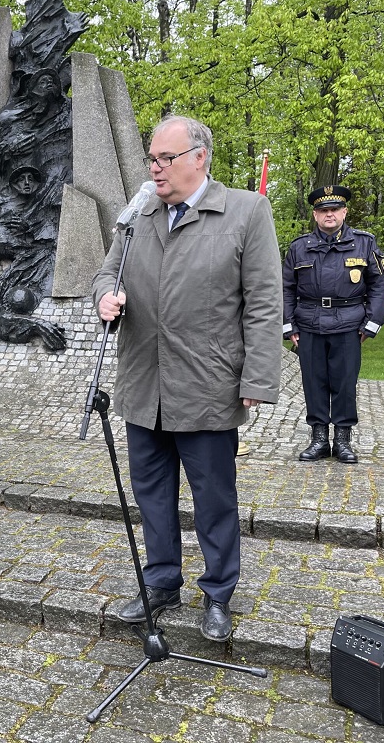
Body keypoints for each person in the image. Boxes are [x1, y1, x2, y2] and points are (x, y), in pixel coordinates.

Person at [92, 115, 282, 642]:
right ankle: (161, 582)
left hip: (208, 385)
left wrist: (258, 378)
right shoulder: (138, 214)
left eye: (165, 159)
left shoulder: (246, 211)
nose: (154, 168)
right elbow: (107, 272)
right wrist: (104, 296)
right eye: (151, 158)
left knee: (213, 496)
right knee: (152, 492)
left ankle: (218, 592)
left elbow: (264, 303)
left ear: (199, 157)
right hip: (143, 384)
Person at [283, 185, 384, 464]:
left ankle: (342, 440)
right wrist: (288, 325)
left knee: (344, 383)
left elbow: (379, 285)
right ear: (315, 215)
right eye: (322, 210)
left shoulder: (364, 243)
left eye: (334, 209)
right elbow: (285, 288)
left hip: (348, 324)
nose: (328, 215)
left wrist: (372, 323)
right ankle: (319, 440)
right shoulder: (298, 247)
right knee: (313, 382)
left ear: (344, 211)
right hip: (309, 324)